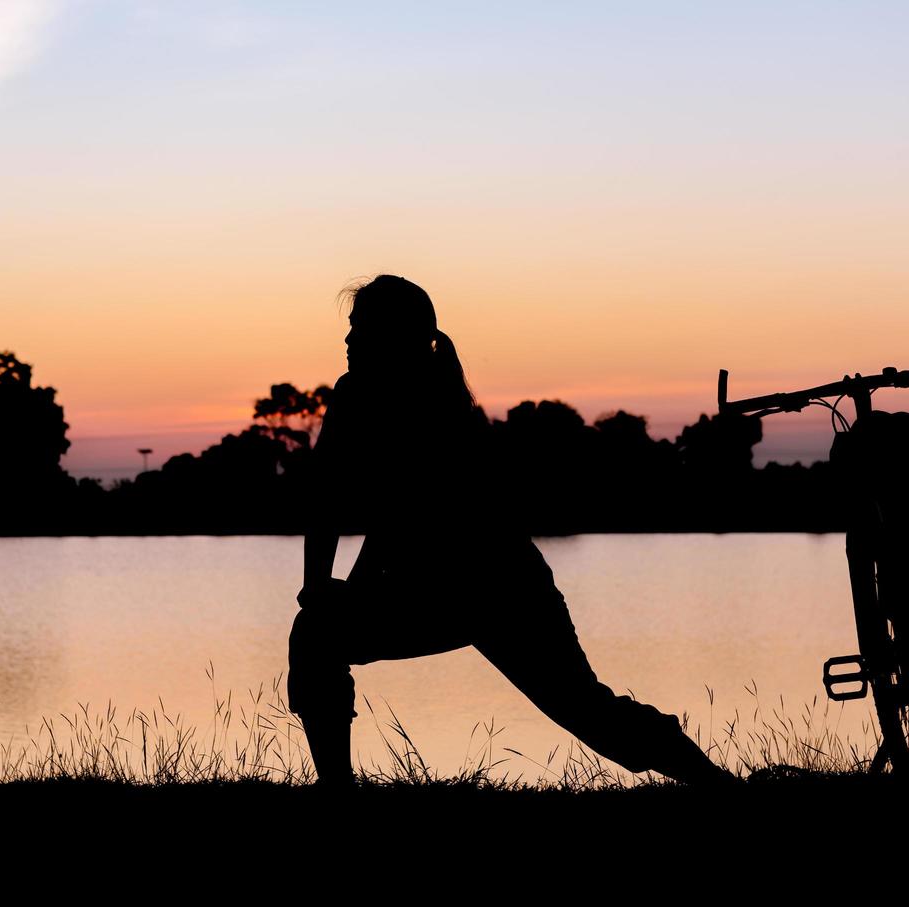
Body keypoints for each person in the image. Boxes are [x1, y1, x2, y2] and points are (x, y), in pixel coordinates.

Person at [287, 274, 738, 788]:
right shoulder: (351, 396)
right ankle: (337, 791)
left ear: (398, 336)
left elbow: (399, 518)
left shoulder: (434, 404)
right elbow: (325, 499)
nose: (348, 341)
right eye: (350, 328)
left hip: (502, 590)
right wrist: (316, 587)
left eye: (361, 329)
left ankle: (715, 784)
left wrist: (350, 592)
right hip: (428, 588)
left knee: (585, 709)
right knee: (316, 636)